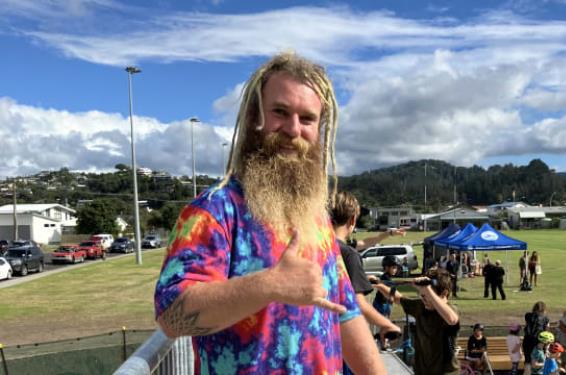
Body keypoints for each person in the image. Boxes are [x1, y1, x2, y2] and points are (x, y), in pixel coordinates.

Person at [153, 53, 386, 374]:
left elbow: (344, 312)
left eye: (307, 119)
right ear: (254, 118)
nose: (293, 129)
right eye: (280, 112)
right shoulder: (214, 210)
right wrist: (269, 285)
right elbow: (170, 317)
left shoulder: (315, 217)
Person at [329, 190, 402, 363]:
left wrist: (388, 233)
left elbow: (368, 242)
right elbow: (358, 303)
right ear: (353, 220)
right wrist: (387, 324)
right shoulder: (350, 255)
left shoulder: (318, 247)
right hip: (343, 337)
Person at [378, 268, 461, 375]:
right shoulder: (420, 306)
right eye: (422, 296)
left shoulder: (451, 310)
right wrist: (378, 284)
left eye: (428, 296)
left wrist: (427, 289)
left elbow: (452, 319)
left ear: (444, 293)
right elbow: (398, 298)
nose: (424, 299)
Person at [523, 301, 550, 375]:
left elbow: (527, 327)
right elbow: (547, 333)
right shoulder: (546, 319)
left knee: (528, 362)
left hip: (527, 342)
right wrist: (547, 346)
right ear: (544, 310)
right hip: (538, 344)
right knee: (538, 363)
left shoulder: (528, 315)